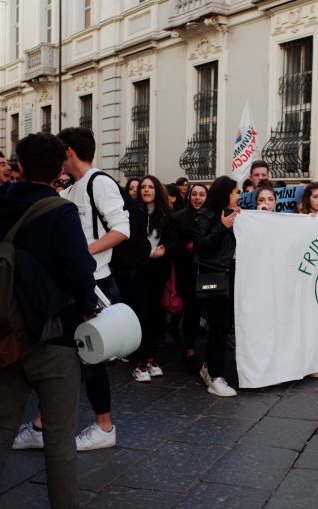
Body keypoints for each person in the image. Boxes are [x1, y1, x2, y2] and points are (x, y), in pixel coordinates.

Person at [0, 132, 97, 508]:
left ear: (19, 166)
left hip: (1, 333)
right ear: (58, 170)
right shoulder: (59, 211)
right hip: (52, 336)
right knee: (58, 435)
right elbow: (78, 271)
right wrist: (87, 307)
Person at [12, 127, 128, 452]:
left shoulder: (99, 182)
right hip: (80, 281)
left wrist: (83, 252)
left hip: (96, 282)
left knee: (90, 356)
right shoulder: (76, 186)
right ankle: (40, 425)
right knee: (73, 355)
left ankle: (104, 426)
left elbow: (122, 229)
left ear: (68, 153)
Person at [193, 176, 239, 397]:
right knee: (219, 328)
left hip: (231, 277)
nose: (239, 195)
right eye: (235, 192)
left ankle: (209, 367)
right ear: (225, 193)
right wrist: (222, 226)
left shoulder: (234, 214)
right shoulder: (206, 215)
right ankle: (215, 377)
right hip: (215, 277)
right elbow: (201, 245)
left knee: (224, 326)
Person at [132, 175, 173, 382]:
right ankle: (139, 362)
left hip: (158, 269)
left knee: (155, 316)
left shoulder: (166, 214)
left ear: (157, 190)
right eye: (143, 187)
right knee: (141, 315)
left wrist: (165, 250)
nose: (146, 190)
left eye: (150, 187)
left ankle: (150, 358)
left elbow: (175, 240)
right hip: (138, 270)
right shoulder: (133, 212)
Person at [171, 183, 208, 372]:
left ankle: (191, 346)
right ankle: (189, 349)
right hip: (185, 272)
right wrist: (186, 246)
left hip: (206, 272)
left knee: (196, 311)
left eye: (202, 194)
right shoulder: (178, 218)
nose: (198, 198)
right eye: (195, 194)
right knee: (188, 310)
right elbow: (172, 243)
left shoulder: (212, 217)